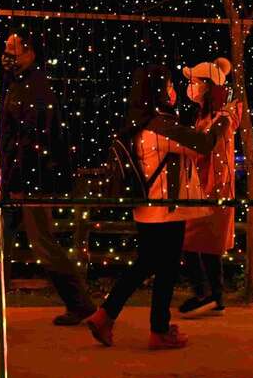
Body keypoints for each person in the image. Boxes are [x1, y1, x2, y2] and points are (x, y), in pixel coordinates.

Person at [84, 64, 240, 349]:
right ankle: (158, 330)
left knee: (145, 264)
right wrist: (226, 117)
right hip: (167, 209)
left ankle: (106, 314)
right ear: (157, 92)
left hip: (146, 208)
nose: (174, 90)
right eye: (168, 85)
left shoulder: (138, 124)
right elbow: (204, 143)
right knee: (166, 269)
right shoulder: (162, 127)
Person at [0, 28, 96, 330]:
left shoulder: (34, 88)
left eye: (13, 47)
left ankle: (79, 303)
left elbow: (31, 141)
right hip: (21, 179)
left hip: (28, 182)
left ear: (30, 53)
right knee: (5, 244)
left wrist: (16, 182)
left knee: (38, 244)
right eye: (6, 46)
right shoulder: (20, 84)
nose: (6, 52)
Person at [179, 58, 239, 317]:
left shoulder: (222, 117)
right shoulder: (205, 116)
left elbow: (206, 145)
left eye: (195, 82)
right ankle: (213, 297)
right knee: (206, 245)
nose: (191, 87)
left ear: (208, 86)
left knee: (195, 242)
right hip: (203, 189)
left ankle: (206, 295)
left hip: (214, 190)